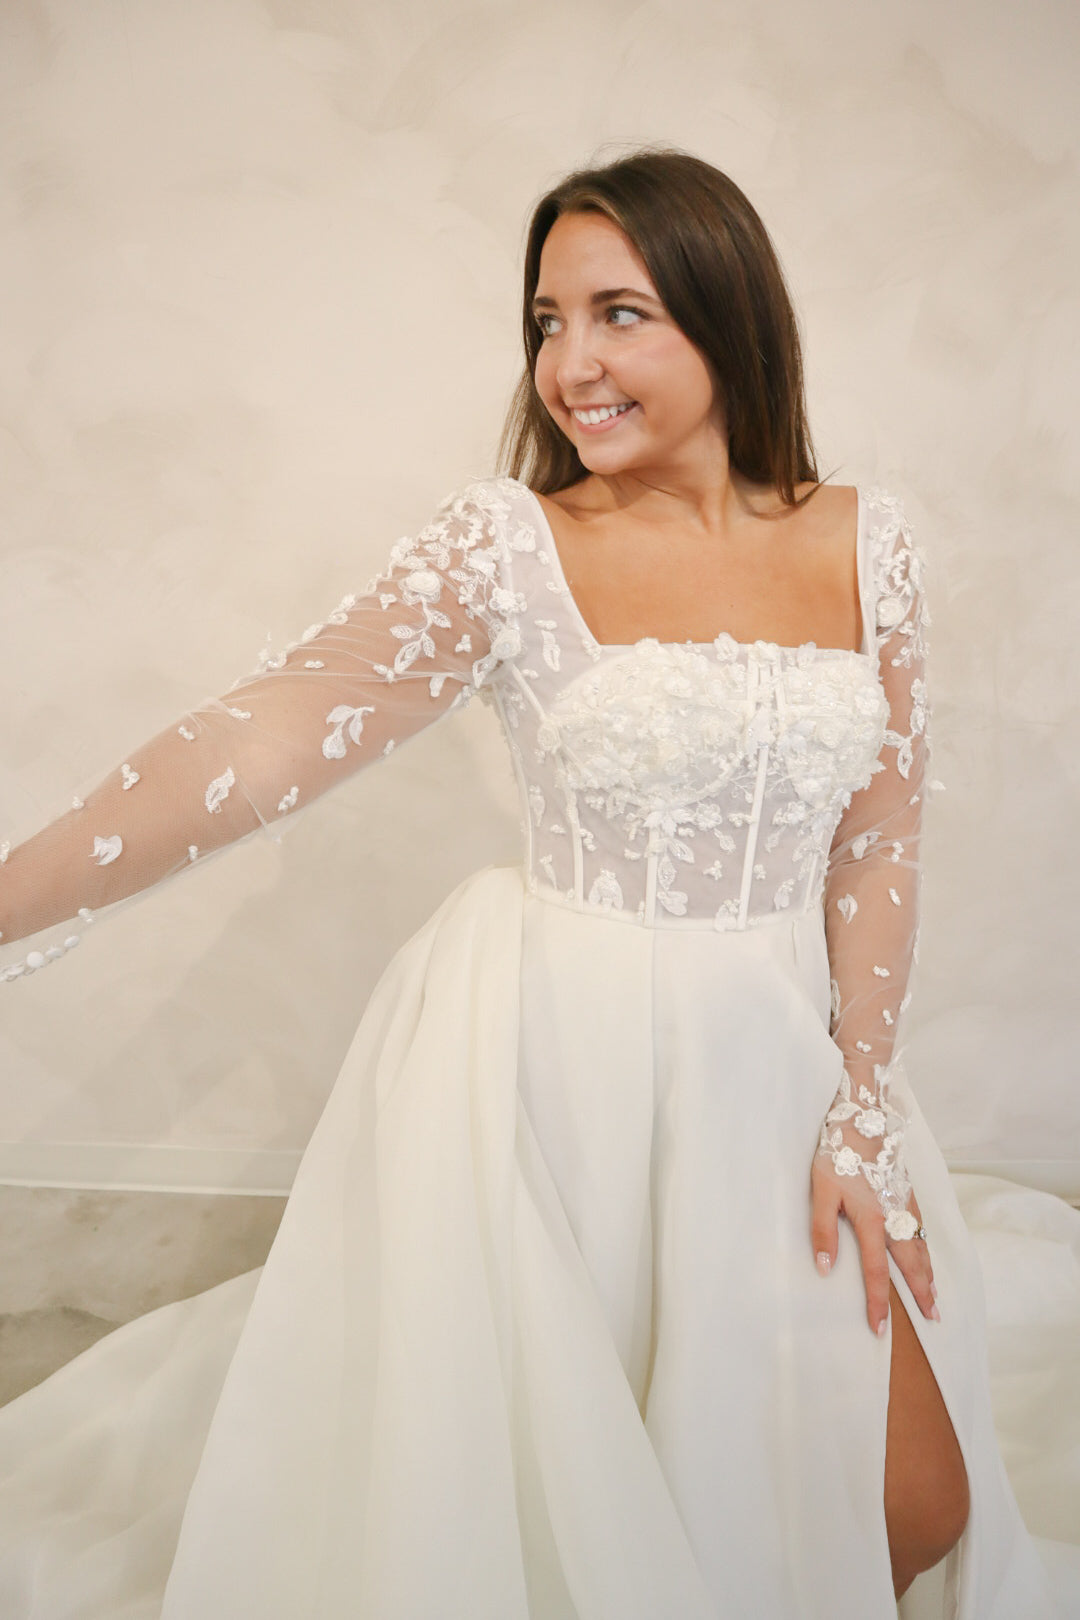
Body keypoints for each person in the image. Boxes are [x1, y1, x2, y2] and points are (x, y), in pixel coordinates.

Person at [0, 146, 1071, 1619]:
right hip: (568, 1058)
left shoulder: (862, 541)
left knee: (906, 1505)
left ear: (728, 314)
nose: (571, 365)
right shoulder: (507, 546)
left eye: (621, 314)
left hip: (779, 1063)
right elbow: (258, 744)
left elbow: (879, 841)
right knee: (581, 1490)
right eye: (547, 322)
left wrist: (863, 1100)